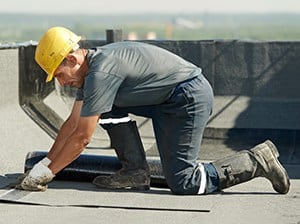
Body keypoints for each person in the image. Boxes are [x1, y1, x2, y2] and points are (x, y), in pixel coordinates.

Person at [18, 26, 290, 195]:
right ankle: (135, 171)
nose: (61, 81)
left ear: (72, 58)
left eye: (60, 73)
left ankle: (256, 161)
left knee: (185, 182)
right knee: (104, 108)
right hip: (166, 100)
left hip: (187, 99)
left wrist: (48, 173)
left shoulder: (102, 72)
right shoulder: (91, 74)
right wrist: (44, 164)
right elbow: (71, 125)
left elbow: (81, 138)